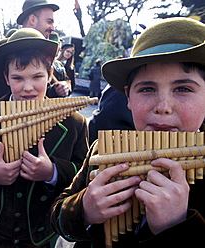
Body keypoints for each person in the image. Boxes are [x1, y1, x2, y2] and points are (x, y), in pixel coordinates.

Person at [50, 17, 205, 247]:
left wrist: (175, 228)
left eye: (183, 89)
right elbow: (58, 218)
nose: (163, 106)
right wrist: (83, 210)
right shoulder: (104, 151)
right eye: (147, 89)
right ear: (128, 98)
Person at [0, 28, 89, 247]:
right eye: (18, 78)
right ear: (6, 77)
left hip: (42, 238)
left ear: (49, 74)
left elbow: (84, 172)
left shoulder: (74, 123)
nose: (28, 87)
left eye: (37, 77)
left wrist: (52, 172)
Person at [0, 0, 70, 102]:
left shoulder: (47, 48)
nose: (52, 28)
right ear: (32, 19)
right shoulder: (4, 48)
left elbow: (54, 81)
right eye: (49, 21)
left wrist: (62, 87)